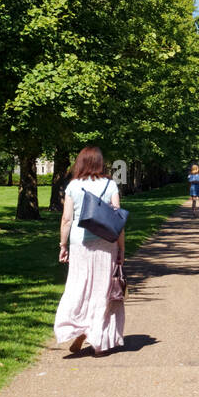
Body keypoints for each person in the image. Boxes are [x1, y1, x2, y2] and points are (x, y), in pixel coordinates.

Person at [54, 146, 125, 356]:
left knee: (78, 287)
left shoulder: (73, 186)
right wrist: (121, 249)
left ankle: (79, 327)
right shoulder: (110, 184)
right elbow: (117, 219)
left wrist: (63, 245)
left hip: (80, 243)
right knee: (102, 291)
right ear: (100, 163)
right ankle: (99, 342)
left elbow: (67, 219)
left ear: (81, 163)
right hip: (106, 243)